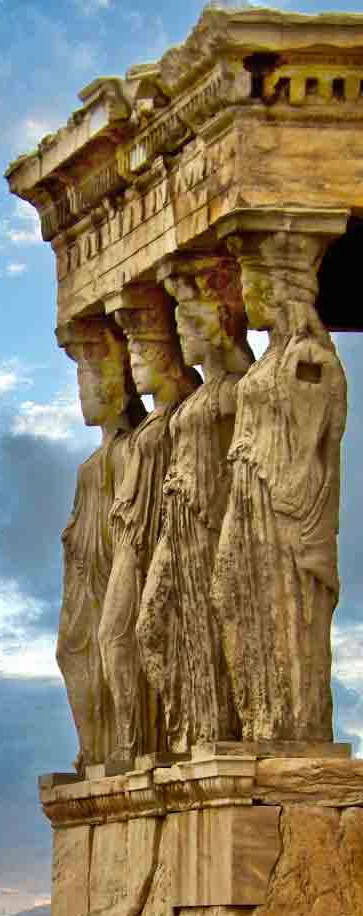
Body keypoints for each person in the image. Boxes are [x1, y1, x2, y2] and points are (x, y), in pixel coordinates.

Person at [212, 229, 347, 740]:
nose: (247, 297)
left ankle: (289, 724)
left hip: (281, 495)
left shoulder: (307, 356)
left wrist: (292, 492)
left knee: (282, 606)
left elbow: (318, 433)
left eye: (254, 285)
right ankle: (258, 718)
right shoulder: (269, 359)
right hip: (249, 492)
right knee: (231, 594)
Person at [135, 255, 251, 750]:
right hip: (177, 520)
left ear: (220, 322)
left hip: (210, 518)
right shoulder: (199, 397)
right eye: (179, 322)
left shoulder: (238, 389)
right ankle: (186, 728)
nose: (183, 333)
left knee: (207, 622)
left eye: (191, 321)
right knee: (151, 626)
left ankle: (215, 729)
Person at [99, 286, 200, 766]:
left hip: (158, 536)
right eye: (132, 355)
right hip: (131, 538)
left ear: (164, 357)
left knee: (139, 631)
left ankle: (163, 736)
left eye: (141, 355)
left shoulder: (180, 414)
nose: (135, 366)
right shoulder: (146, 426)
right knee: (116, 635)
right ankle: (136, 740)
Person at [55, 317, 144, 772]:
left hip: (118, 559)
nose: (82, 395)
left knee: (116, 642)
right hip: (85, 572)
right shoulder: (89, 464)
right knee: (71, 652)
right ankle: (96, 748)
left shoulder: (132, 448)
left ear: (117, 386)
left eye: (89, 383)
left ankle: (129, 741)